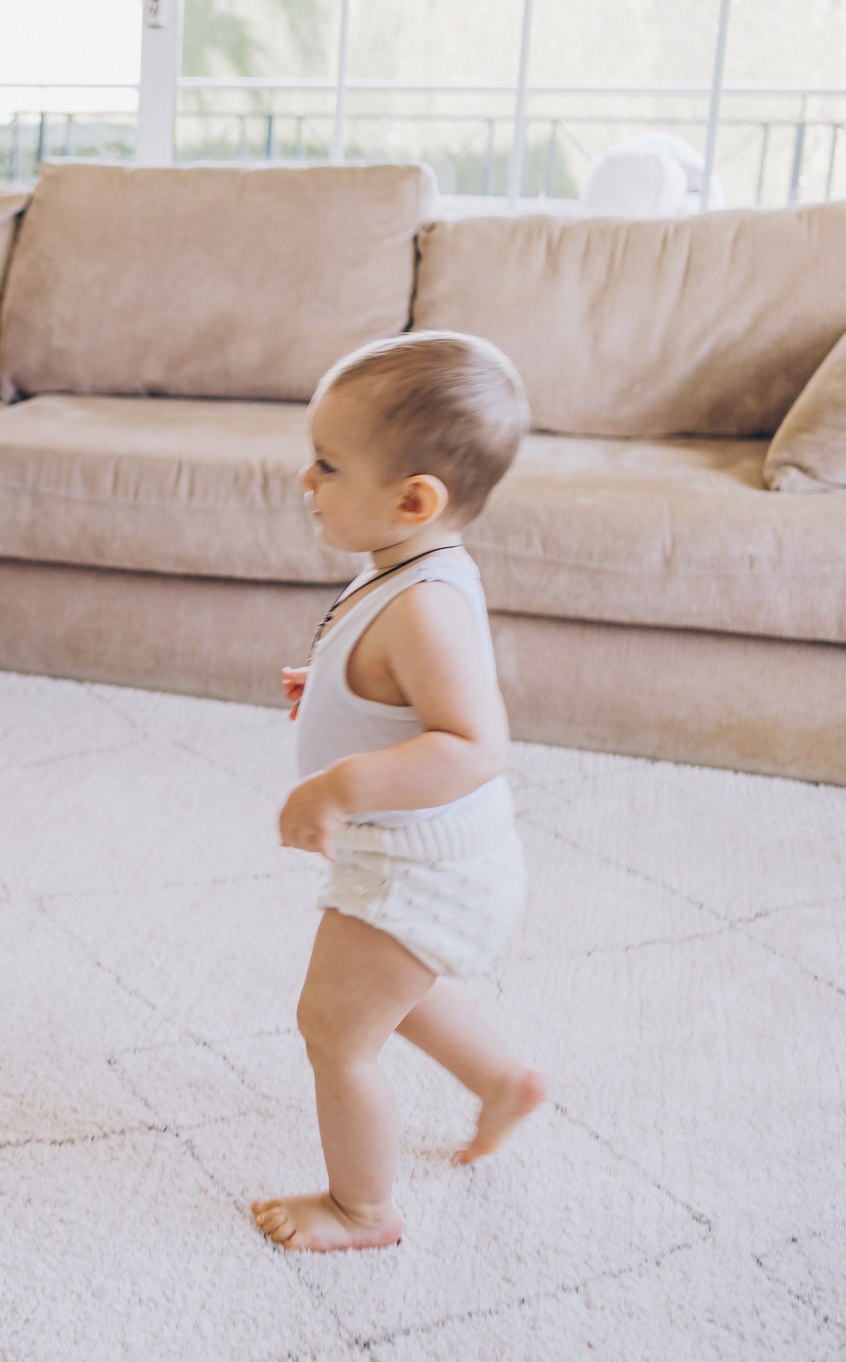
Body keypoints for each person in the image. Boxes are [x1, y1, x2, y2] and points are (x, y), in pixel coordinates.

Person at [252, 332, 547, 1251]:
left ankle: (360, 1209)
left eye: (328, 464)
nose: (307, 478)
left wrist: (343, 781)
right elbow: (401, 689)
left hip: (424, 866)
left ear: (415, 498)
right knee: (394, 988)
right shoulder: (401, 566)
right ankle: (505, 1081)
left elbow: (471, 742)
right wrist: (339, 687)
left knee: (335, 1028)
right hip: (421, 853)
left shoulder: (426, 603)